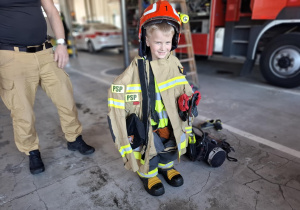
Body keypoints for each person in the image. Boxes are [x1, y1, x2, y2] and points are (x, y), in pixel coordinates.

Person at [108, 0, 199, 196]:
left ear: (174, 41)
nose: (163, 48)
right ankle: (149, 175)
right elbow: (118, 88)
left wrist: (190, 99)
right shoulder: (137, 67)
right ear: (146, 40)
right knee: (149, 150)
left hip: (170, 118)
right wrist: (118, 92)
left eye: (167, 42)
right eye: (158, 42)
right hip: (149, 123)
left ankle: (167, 167)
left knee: (170, 146)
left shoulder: (174, 62)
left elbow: (182, 84)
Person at [0, 0, 95, 175]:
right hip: (12, 56)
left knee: (65, 99)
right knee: (22, 112)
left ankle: (74, 138)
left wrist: (61, 43)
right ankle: (32, 151)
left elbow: (51, 11)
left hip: (45, 52)